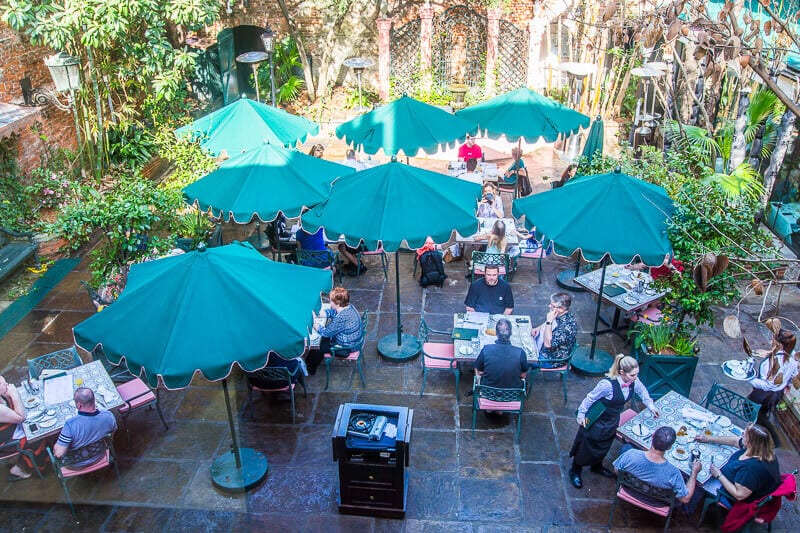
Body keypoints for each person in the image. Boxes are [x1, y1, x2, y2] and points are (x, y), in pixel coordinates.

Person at [569, 354, 659, 489]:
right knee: (587, 444)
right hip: (598, 420)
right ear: (622, 372)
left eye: (636, 374)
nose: (636, 378)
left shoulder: (633, 381)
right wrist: (581, 415)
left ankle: (596, 466)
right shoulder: (607, 385)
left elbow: (643, 392)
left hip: (612, 420)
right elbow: (590, 398)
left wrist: (651, 407)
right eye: (633, 375)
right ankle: (575, 470)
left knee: (605, 444)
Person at [693, 423, 781, 512]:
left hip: (730, 497)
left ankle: (691, 508)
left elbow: (739, 495)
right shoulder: (762, 450)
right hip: (735, 478)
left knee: (697, 478)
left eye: (745, 435)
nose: (741, 435)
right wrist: (708, 438)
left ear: (751, 443)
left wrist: (718, 475)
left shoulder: (750, 469)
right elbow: (734, 441)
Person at [613, 426, 702, 506]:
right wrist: (694, 472)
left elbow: (616, 469)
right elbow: (685, 499)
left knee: (626, 447)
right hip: (656, 502)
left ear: (652, 437)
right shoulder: (674, 473)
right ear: (669, 447)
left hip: (630, 489)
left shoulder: (631, 454)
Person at [53, 387, 117, 468]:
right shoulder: (108, 416)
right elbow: (112, 434)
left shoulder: (70, 425)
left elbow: (59, 453)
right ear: (94, 400)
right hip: (100, 454)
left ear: (79, 405)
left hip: (76, 464)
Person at [307, 287, 363, 375]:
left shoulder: (342, 318)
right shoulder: (348, 306)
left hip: (346, 347)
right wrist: (322, 313)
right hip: (353, 339)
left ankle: (310, 368)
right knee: (319, 343)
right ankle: (309, 361)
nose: (330, 302)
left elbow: (326, 333)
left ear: (337, 303)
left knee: (318, 346)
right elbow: (334, 312)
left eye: (331, 301)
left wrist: (315, 325)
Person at [1, 374, 47, 480]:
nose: (7, 384)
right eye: (2, 384)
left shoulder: (2, 394)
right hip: (6, 439)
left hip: (13, 428)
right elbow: (20, 417)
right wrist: (14, 394)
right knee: (36, 436)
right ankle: (21, 468)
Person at [748, 329, 798, 424]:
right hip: (777, 395)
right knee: (761, 415)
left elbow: (768, 385)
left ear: (780, 345)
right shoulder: (792, 361)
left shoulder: (773, 363)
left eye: (773, 340)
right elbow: (793, 375)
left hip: (762, 396)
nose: (771, 342)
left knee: (753, 416)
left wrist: (749, 378)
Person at [474, 318, 528, 391]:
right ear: (511, 333)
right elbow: (523, 375)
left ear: (496, 333)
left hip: (488, 394)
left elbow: (479, 371)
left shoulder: (486, 349)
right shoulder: (520, 353)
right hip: (511, 395)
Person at [530, 292, 577, 368]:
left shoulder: (566, 327)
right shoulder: (559, 313)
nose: (549, 306)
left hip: (551, 358)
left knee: (520, 358)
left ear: (561, 309)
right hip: (542, 345)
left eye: (552, 305)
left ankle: (521, 376)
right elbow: (546, 324)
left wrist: (549, 321)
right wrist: (537, 328)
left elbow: (547, 344)